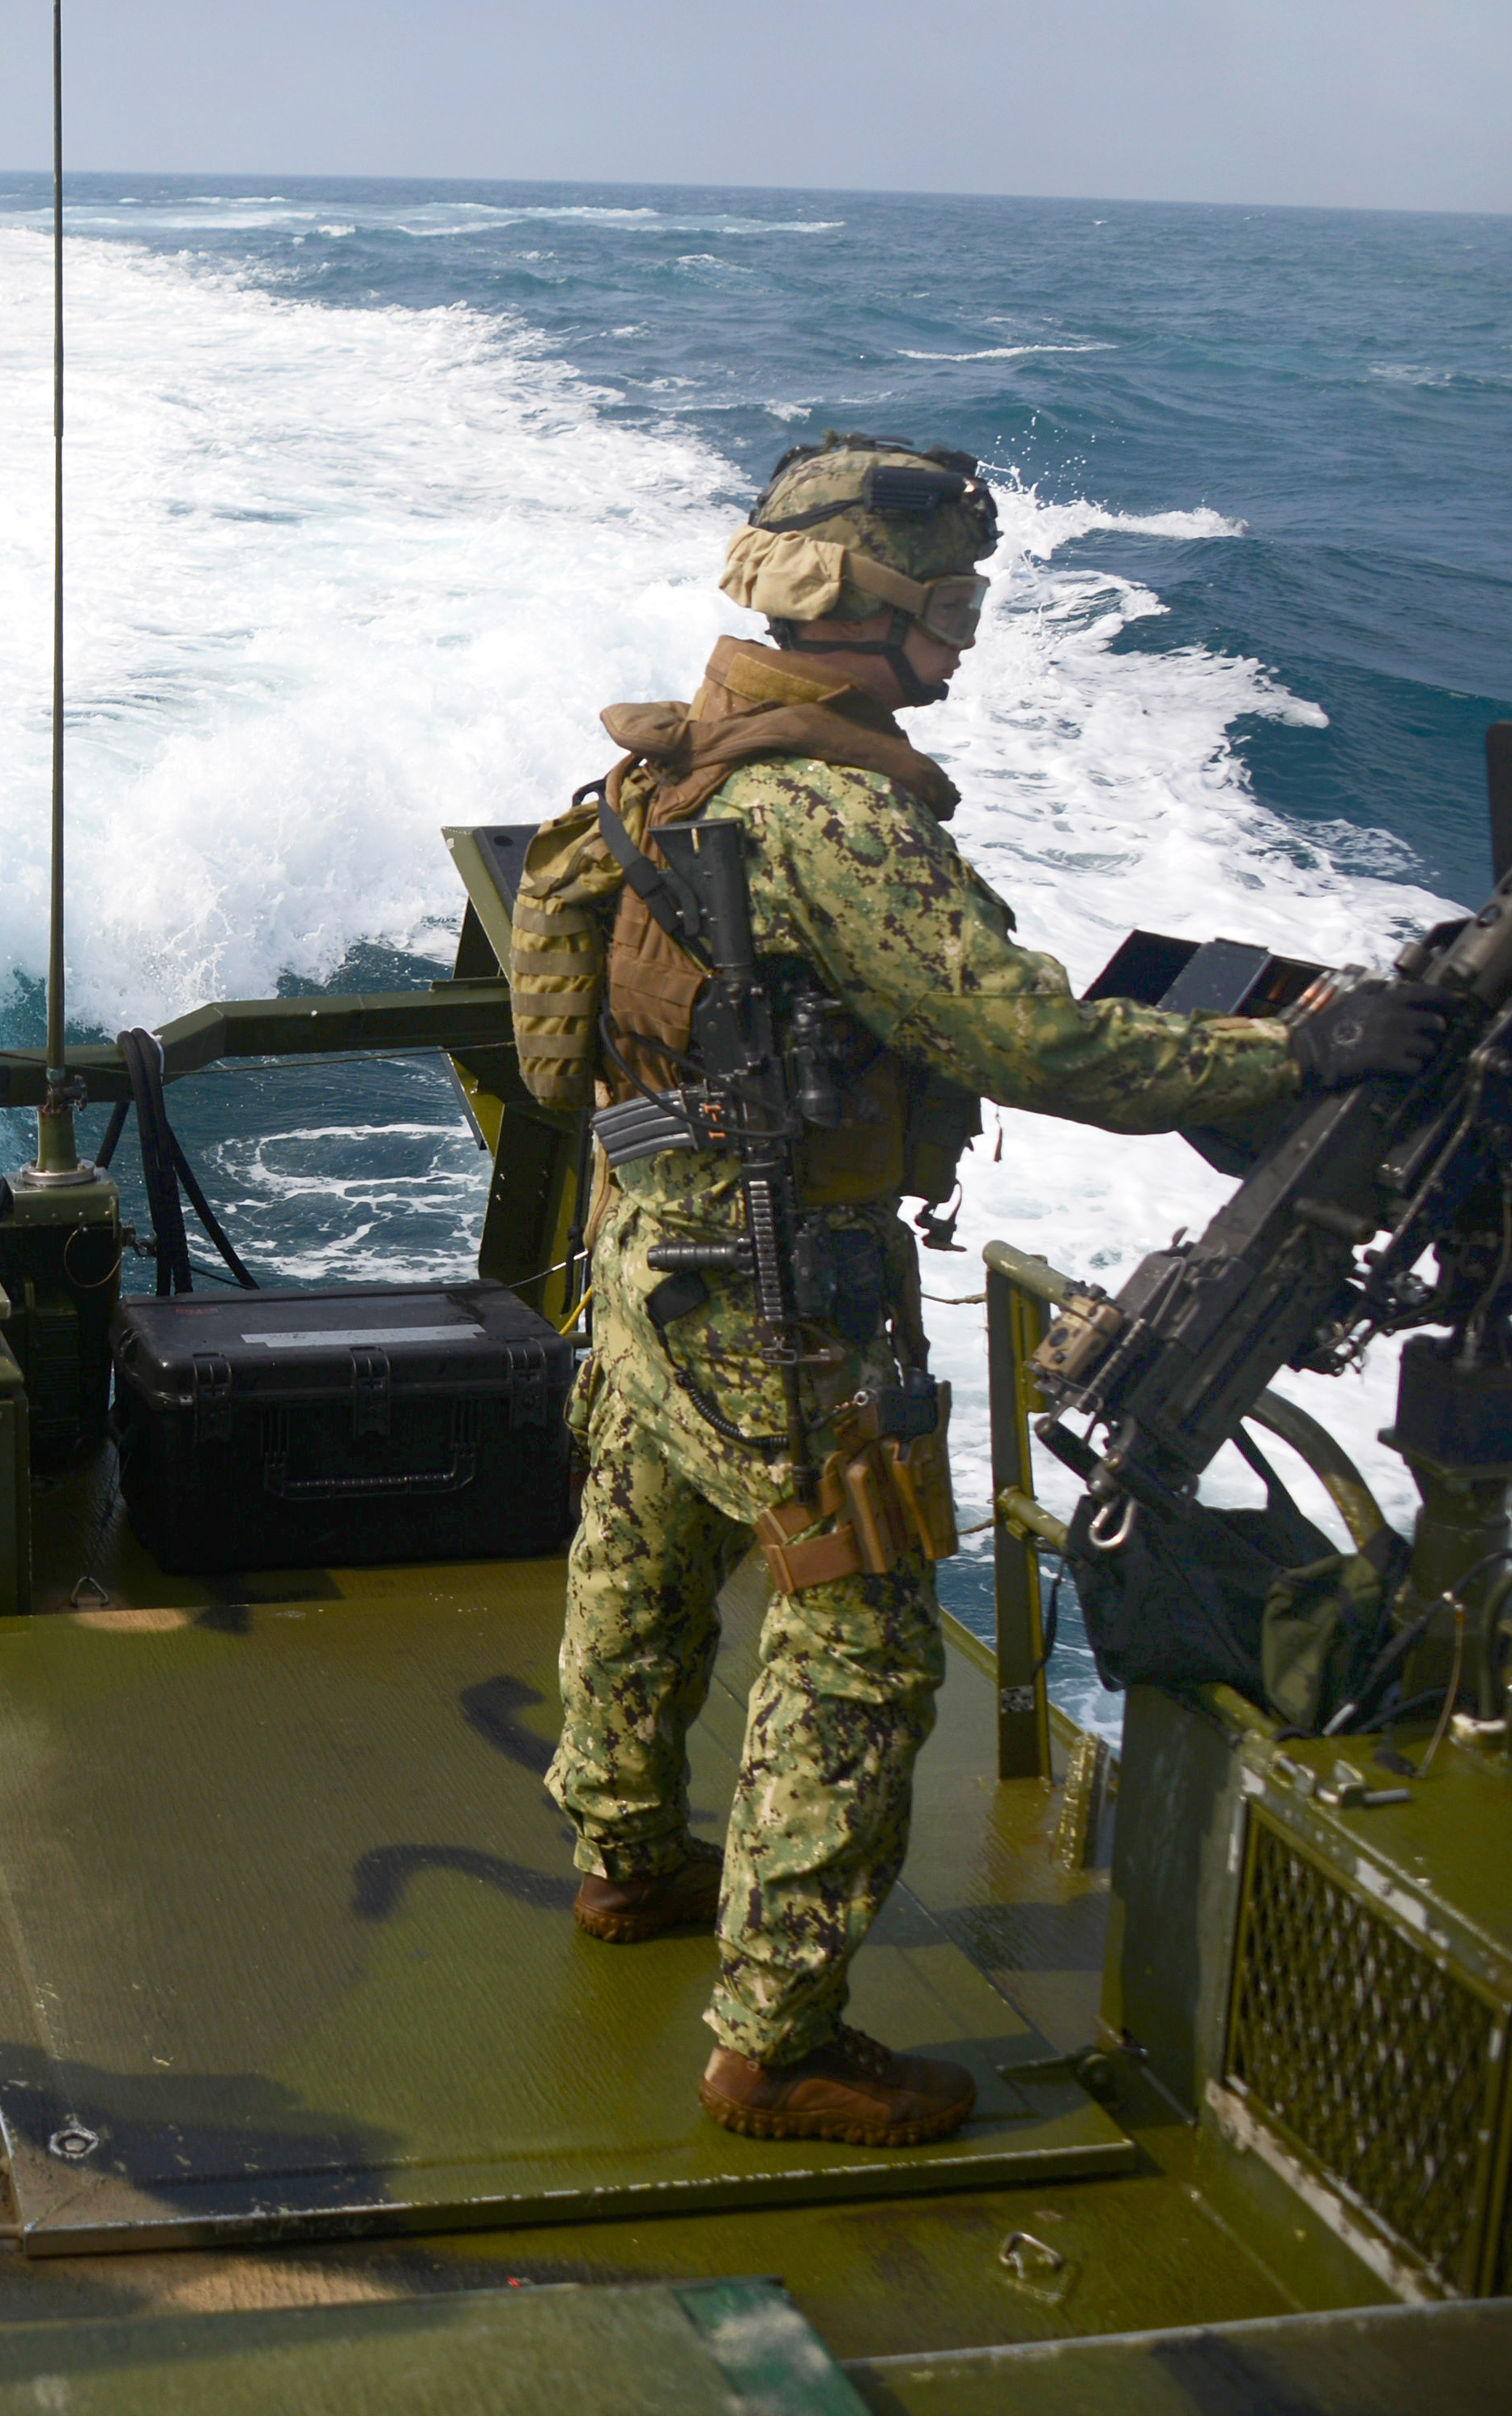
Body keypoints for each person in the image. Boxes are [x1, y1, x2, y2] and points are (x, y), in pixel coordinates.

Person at [507, 436, 1449, 2145]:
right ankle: (774, 2039)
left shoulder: (674, 766)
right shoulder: (835, 815)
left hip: (652, 1260)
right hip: (780, 1293)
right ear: (867, 607)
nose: (966, 634)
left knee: (641, 1550)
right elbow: (1028, 1037)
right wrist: (1289, 1052)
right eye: (948, 603)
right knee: (862, 1640)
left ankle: (623, 1862)